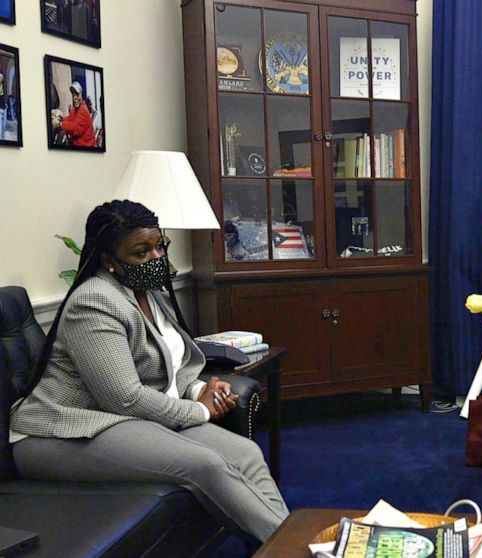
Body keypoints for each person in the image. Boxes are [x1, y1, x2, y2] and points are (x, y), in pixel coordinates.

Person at [10, 200, 289, 543]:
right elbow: (123, 398)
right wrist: (200, 409)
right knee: (207, 465)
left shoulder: (149, 291)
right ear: (108, 260)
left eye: (159, 246)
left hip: (125, 420)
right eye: (141, 252)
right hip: (64, 430)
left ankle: (288, 542)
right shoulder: (94, 302)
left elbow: (174, 362)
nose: (156, 258)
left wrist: (196, 389)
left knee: (245, 454)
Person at [52, 80, 96, 147]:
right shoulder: (74, 109)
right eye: (73, 95)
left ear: (81, 94)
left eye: (77, 95)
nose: (75, 98)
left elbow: (75, 128)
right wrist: (60, 118)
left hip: (87, 148)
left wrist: (60, 124)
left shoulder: (83, 109)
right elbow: (69, 119)